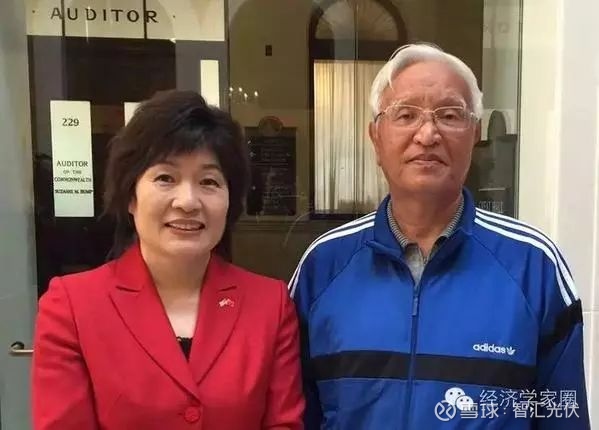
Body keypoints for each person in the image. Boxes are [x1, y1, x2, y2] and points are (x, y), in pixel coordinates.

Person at [290, 44, 590, 429]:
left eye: (449, 115)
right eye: (406, 115)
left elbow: (562, 414)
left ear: (475, 135)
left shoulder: (534, 266)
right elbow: (292, 416)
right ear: (375, 137)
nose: (427, 134)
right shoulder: (323, 265)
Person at [32, 90, 304, 430]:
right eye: (165, 178)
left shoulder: (270, 306)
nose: (187, 201)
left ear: (230, 200)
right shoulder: (72, 307)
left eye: (208, 181)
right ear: (130, 196)